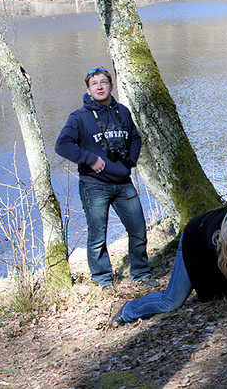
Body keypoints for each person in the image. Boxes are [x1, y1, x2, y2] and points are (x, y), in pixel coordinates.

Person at [55, 67, 156, 289]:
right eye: (94, 84)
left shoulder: (123, 111)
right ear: (88, 91)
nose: (100, 87)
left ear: (112, 86)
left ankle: (140, 273)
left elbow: (136, 138)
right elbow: (62, 145)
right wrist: (88, 158)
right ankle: (103, 279)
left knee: (138, 229)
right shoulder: (79, 118)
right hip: (94, 186)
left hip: (123, 184)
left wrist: (130, 161)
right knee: (98, 235)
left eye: (103, 82)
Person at [111, 203, 227, 325]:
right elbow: (224, 290)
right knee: (171, 301)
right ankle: (128, 311)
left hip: (225, 240)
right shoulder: (210, 253)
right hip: (194, 242)